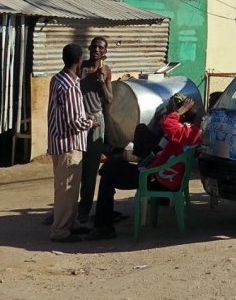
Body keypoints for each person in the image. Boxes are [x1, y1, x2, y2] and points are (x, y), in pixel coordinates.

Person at [85, 94, 200, 240]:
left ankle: (103, 225)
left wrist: (179, 111)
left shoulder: (184, 132)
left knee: (108, 172)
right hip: (160, 175)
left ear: (182, 115)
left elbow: (168, 123)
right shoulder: (193, 130)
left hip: (156, 178)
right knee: (110, 169)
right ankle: (104, 222)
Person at [47, 43, 98, 243]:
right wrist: (90, 122)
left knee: (69, 188)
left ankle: (70, 224)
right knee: (66, 190)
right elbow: (73, 121)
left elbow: (64, 111)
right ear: (79, 61)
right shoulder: (69, 85)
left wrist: (82, 115)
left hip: (58, 141)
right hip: (69, 144)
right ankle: (60, 231)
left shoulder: (57, 79)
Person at [77, 36, 113, 223]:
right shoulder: (80, 67)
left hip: (96, 123)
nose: (96, 50)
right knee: (73, 167)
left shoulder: (105, 71)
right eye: (94, 46)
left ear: (105, 52)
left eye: (100, 48)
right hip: (78, 121)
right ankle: (66, 208)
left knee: (90, 169)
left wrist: (100, 82)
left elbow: (108, 100)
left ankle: (84, 209)